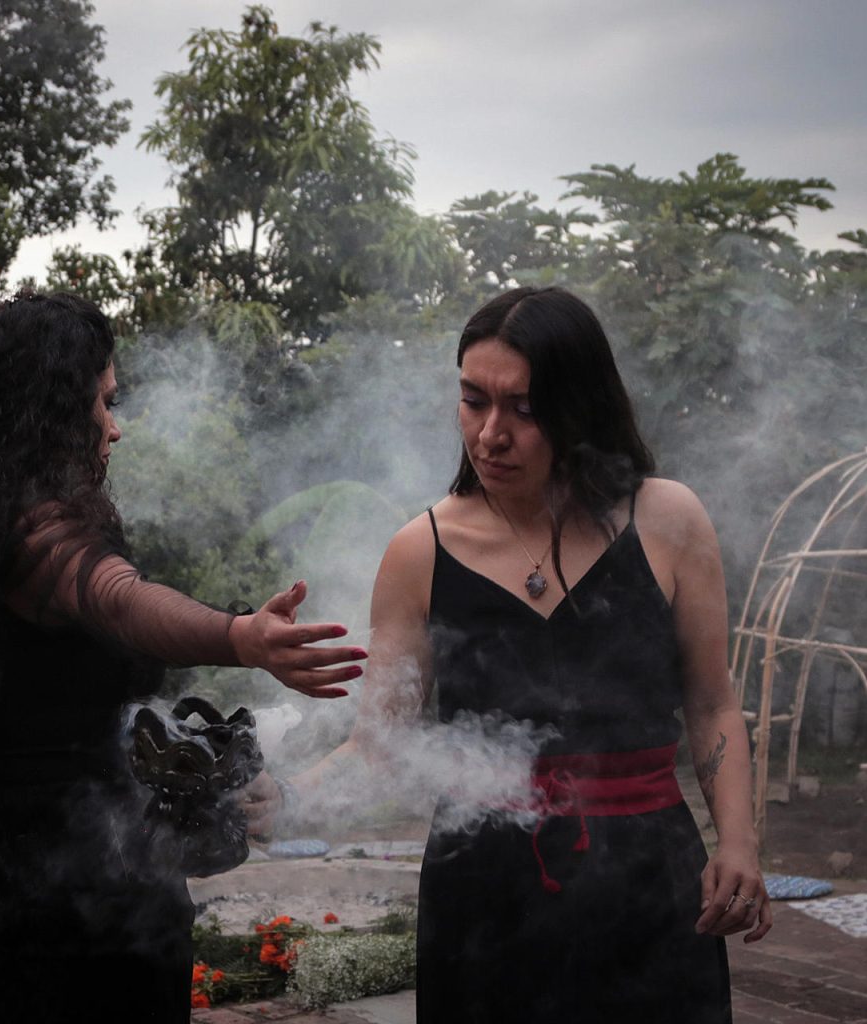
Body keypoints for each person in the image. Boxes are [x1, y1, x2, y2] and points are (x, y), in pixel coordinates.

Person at [0, 293, 365, 1023]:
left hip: (49, 887)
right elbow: (119, 597)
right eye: (103, 402)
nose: (114, 429)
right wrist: (238, 636)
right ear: (54, 412)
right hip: (62, 919)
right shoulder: (37, 535)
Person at [260, 285, 770, 1021]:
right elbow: (382, 743)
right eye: (473, 401)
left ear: (581, 406)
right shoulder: (419, 551)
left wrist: (741, 843)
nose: (491, 434)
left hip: (650, 878)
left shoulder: (668, 520)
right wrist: (286, 798)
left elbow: (712, 700)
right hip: (484, 892)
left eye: (524, 410)